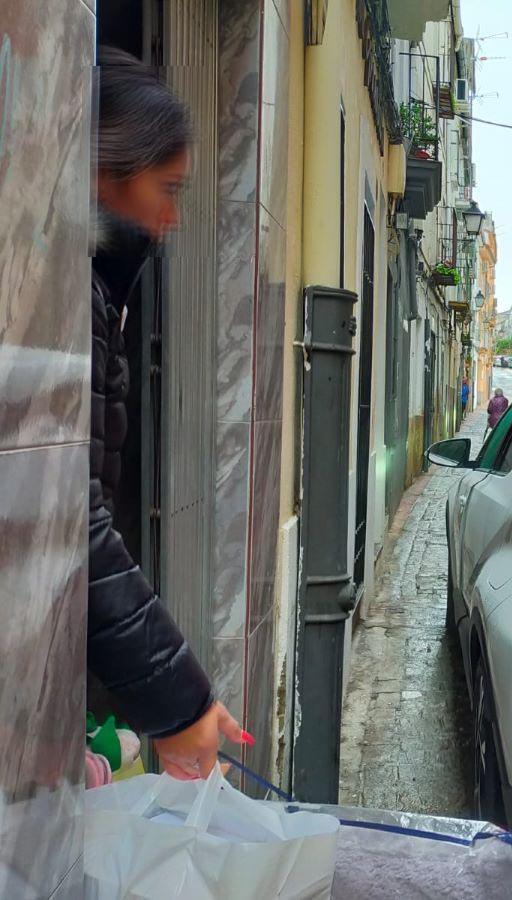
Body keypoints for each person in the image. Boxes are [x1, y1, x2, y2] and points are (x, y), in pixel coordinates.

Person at [92, 48, 247, 779]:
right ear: (105, 169)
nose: (173, 217)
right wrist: (181, 709)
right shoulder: (59, 297)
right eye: (167, 187)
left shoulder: (92, 288)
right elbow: (67, 526)